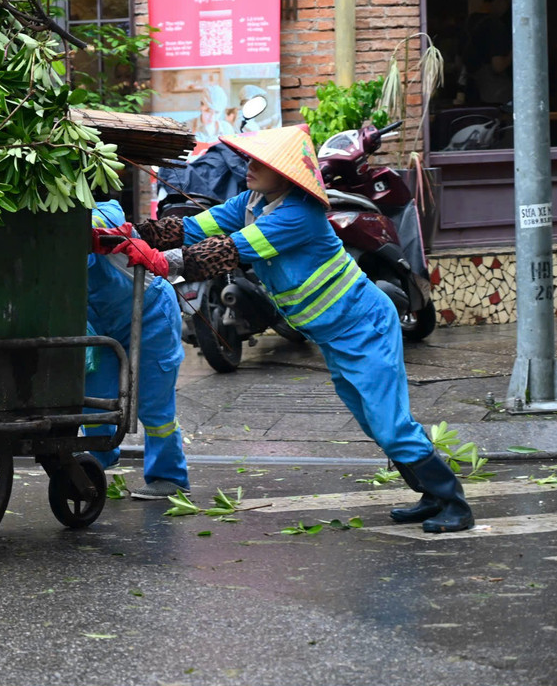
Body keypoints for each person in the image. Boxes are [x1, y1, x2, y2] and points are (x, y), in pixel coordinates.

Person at [111, 126, 474, 534]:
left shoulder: (299, 214)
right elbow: (196, 228)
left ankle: (453, 503)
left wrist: (160, 261)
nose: (247, 168)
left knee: (389, 422)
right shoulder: (252, 202)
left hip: (364, 328)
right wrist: (131, 234)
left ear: (284, 174)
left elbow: (227, 251)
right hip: (336, 335)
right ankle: (428, 495)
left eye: (257, 163)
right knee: (374, 422)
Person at [86, 199, 190, 500]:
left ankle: (169, 476)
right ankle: (97, 459)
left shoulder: (102, 212)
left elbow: (112, 216)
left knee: (153, 403)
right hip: (99, 325)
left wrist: (90, 232)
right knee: (92, 401)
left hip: (151, 313)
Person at [464, 0, 512, 106]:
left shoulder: (469, 21)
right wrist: (514, 53)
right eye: (507, 3)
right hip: (493, 98)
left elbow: (458, 61)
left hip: (471, 94)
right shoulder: (495, 25)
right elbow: (498, 65)